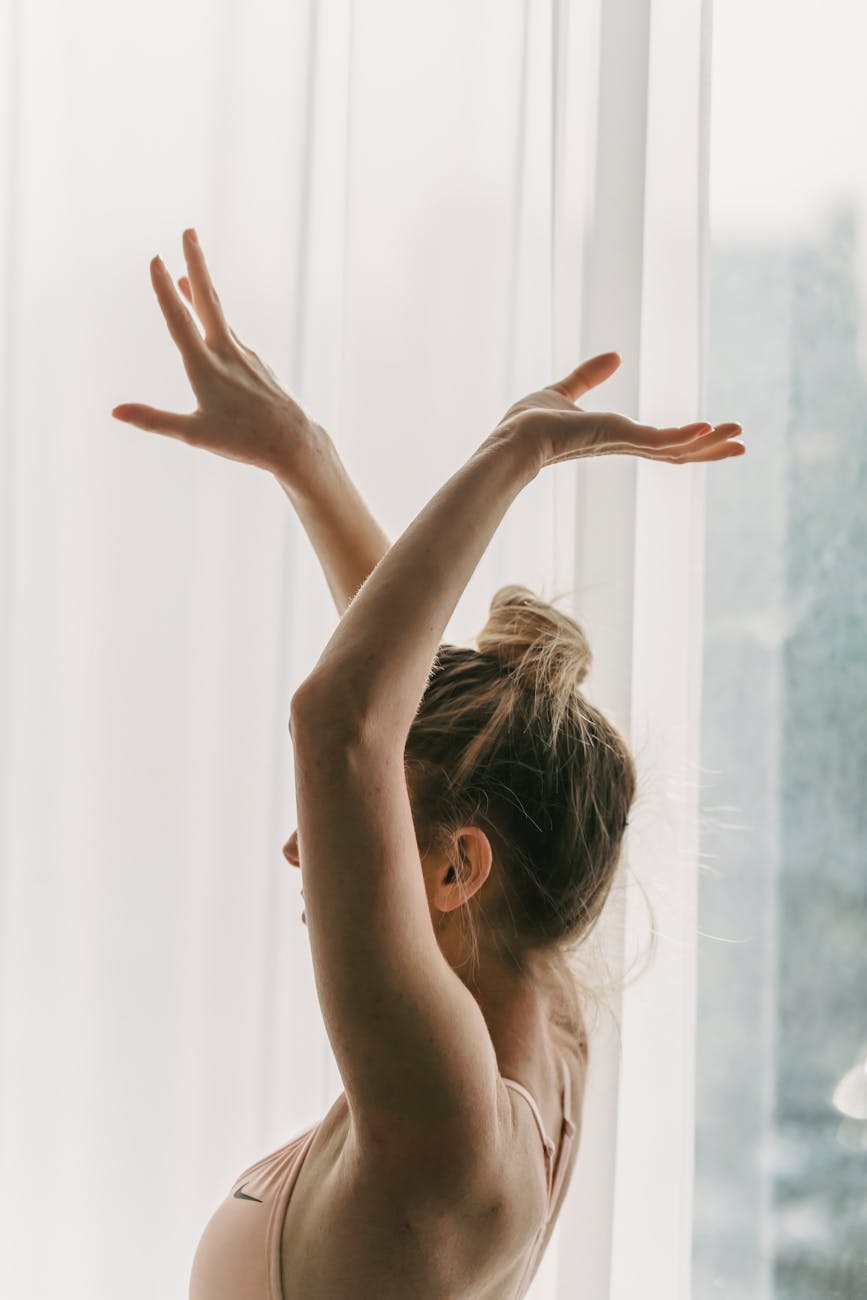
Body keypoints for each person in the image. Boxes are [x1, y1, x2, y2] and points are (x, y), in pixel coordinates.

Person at [112, 229, 745, 1299]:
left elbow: (344, 726)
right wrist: (305, 461)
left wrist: (517, 450)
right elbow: (384, 727)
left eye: (349, 817)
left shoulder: (451, 1133)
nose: (302, 845)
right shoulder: (538, 1009)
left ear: (458, 869)